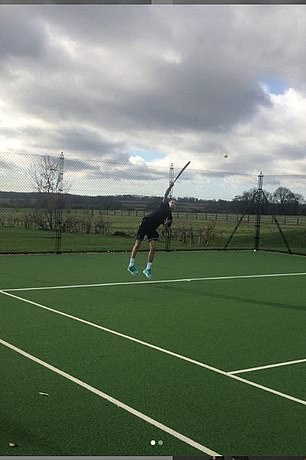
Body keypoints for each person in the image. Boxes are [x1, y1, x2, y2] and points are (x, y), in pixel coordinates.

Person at [127, 181, 176, 279]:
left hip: (152, 229)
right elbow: (165, 194)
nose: (174, 204)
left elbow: (166, 228)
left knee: (153, 248)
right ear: (169, 202)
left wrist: (166, 225)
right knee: (137, 245)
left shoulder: (170, 217)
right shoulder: (164, 205)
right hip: (146, 223)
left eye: (175, 204)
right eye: (172, 202)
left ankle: (148, 269)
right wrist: (170, 187)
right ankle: (131, 265)